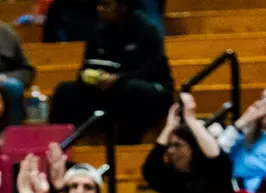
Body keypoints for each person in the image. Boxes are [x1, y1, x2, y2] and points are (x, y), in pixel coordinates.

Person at [48, 0, 173, 145]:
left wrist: (118, 78)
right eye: (99, 4)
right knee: (64, 90)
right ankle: (58, 145)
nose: (99, 9)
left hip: (148, 90)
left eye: (106, 5)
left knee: (132, 90)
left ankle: (126, 146)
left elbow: (154, 71)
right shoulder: (97, 32)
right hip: (107, 89)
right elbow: (85, 67)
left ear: (123, 7)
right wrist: (90, 78)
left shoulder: (147, 30)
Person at [142, 94, 235, 193]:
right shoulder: (170, 176)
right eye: (169, 146)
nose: (170, 151)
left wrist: (191, 119)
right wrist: (169, 127)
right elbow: (149, 169)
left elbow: (215, 155)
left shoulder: (214, 171)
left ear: (194, 148)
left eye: (178, 145)